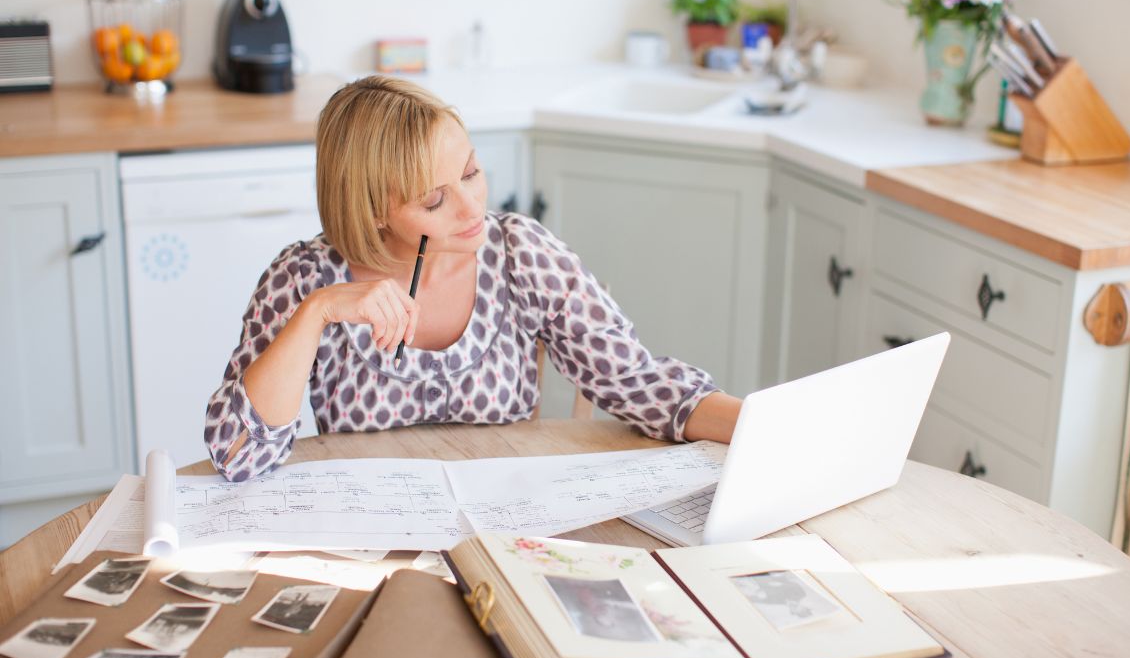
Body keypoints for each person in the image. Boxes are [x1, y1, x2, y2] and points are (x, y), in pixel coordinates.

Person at [204, 75, 742, 482]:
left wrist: (766, 429)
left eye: (470, 173)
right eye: (435, 201)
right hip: (373, 539)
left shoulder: (521, 254)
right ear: (373, 212)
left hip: (506, 524)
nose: (472, 209)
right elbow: (237, 455)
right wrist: (317, 312)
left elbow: (638, 383)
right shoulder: (302, 278)